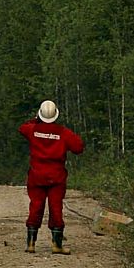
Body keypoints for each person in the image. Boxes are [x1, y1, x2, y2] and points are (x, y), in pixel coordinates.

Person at [19, 99, 84, 255]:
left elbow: (21, 128)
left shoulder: (32, 129)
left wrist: (36, 119)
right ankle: (57, 245)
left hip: (37, 176)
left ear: (40, 115)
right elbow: (79, 147)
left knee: (36, 206)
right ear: (56, 115)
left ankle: (31, 243)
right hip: (56, 177)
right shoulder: (64, 132)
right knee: (56, 209)